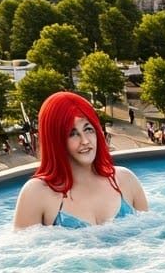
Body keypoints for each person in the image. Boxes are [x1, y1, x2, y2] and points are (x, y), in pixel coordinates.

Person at [13, 93, 149, 229]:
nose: (84, 141)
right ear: (55, 140)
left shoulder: (125, 179)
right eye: (72, 133)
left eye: (88, 129)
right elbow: (22, 248)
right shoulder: (36, 193)